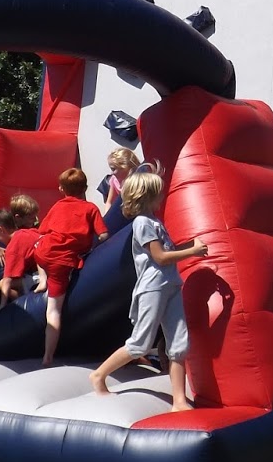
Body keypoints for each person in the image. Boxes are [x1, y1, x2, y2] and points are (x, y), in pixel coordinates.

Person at [89, 162, 209, 410]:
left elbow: (167, 251)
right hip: (153, 287)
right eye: (158, 192)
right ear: (148, 197)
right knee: (140, 343)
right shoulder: (142, 223)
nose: (162, 196)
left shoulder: (155, 221)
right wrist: (192, 251)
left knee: (179, 343)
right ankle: (99, 375)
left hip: (171, 284)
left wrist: (189, 245)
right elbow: (161, 257)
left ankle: (178, 400)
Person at [33, 168, 109, 365]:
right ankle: (48, 355)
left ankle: (42, 280)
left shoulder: (58, 205)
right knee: (54, 310)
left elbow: (42, 230)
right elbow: (103, 235)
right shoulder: (90, 208)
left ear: (61, 189)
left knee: (38, 245)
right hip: (62, 261)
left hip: (44, 253)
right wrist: (94, 245)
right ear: (85, 188)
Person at [0, 195, 43, 304]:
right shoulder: (33, 231)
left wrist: (2, 307)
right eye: (31, 217)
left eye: (35, 216)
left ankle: (23, 303)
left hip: (37, 275)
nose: (34, 220)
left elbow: (7, 279)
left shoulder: (19, 237)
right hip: (38, 272)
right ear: (18, 217)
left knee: (2, 283)